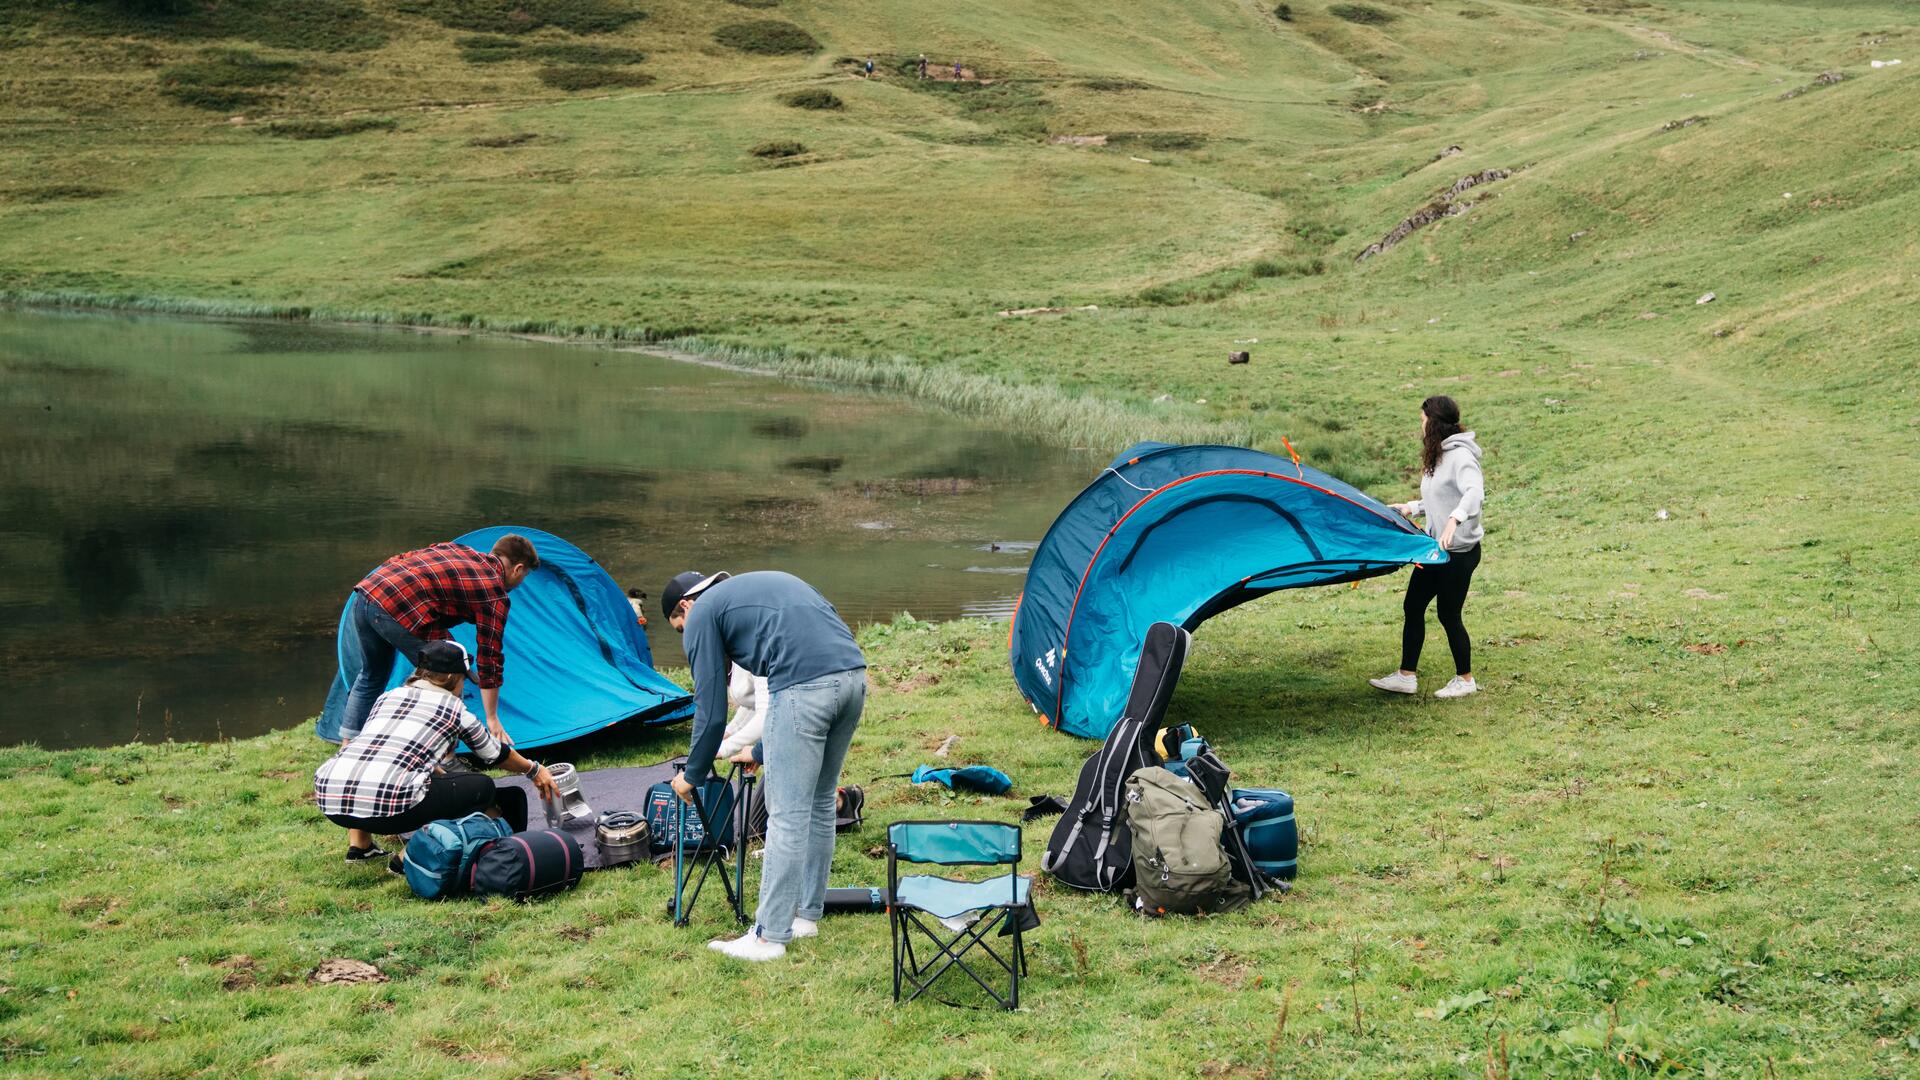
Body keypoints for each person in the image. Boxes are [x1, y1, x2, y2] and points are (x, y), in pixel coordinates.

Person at [662, 570, 866, 962]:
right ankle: (806, 916)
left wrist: (692, 774)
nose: (686, 635)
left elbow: (710, 708)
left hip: (805, 686)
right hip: (854, 677)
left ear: (685, 606)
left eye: (679, 628)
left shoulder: (702, 611)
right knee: (822, 801)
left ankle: (768, 937)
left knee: (786, 814)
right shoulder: (754, 589)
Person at [316, 640, 559, 865]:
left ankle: (360, 847)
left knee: (376, 769)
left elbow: (388, 751)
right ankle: (407, 858)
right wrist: (534, 770)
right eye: (464, 679)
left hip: (331, 799)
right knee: (480, 787)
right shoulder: (454, 708)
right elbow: (494, 754)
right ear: (453, 677)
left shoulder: (388, 696)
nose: (463, 686)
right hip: (391, 810)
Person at [337, 534, 539, 744]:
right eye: (524, 576)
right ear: (518, 569)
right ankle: (445, 753)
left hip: (367, 592)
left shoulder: (460, 550)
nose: (521, 582)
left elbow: (406, 557)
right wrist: (492, 718)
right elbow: (490, 657)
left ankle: (348, 747)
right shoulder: (494, 593)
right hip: (398, 608)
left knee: (372, 674)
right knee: (448, 670)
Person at [1371, 395, 1485, 699]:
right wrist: (1411, 507)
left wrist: (1454, 520)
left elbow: (1474, 493)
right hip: (1436, 551)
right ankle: (1406, 676)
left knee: (1448, 615)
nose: (1420, 426)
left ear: (1433, 423)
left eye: (1422, 421)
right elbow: (1439, 496)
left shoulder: (1461, 457)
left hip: (1459, 553)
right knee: (1413, 606)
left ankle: (1466, 679)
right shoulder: (1438, 455)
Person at [717, 663, 769, 762]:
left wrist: (724, 748)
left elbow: (766, 715)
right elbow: (753, 702)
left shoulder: (759, 653)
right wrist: (729, 731)